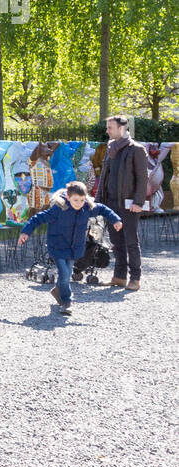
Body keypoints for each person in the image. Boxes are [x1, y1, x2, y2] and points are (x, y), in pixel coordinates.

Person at [18, 181, 123, 316]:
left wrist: (115, 219)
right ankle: (67, 302)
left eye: (82, 200)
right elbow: (38, 218)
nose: (79, 203)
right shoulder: (59, 209)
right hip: (58, 246)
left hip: (73, 248)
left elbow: (103, 209)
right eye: (75, 200)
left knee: (66, 273)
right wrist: (26, 232)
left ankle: (58, 290)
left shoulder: (86, 208)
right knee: (65, 273)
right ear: (68, 197)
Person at [97, 115, 149, 291]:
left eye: (110, 127)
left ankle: (135, 278)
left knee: (131, 242)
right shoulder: (111, 148)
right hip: (110, 203)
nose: (107, 130)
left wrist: (138, 201)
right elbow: (104, 176)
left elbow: (143, 179)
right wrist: (98, 202)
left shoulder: (137, 149)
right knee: (116, 241)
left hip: (129, 205)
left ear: (122, 128)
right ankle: (119, 277)